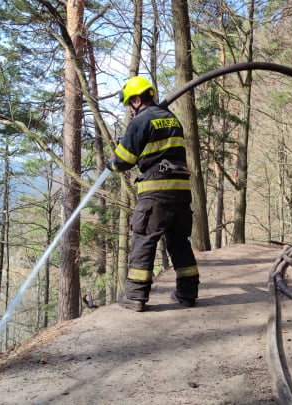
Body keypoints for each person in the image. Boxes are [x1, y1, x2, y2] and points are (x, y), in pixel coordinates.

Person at [106, 76, 199, 312]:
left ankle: (135, 296)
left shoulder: (140, 122)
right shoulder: (172, 119)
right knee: (179, 243)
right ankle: (188, 293)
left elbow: (124, 161)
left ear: (137, 99)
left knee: (144, 240)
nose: (129, 109)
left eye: (129, 103)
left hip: (155, 195)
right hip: (181, 194)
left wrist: (112, 163)